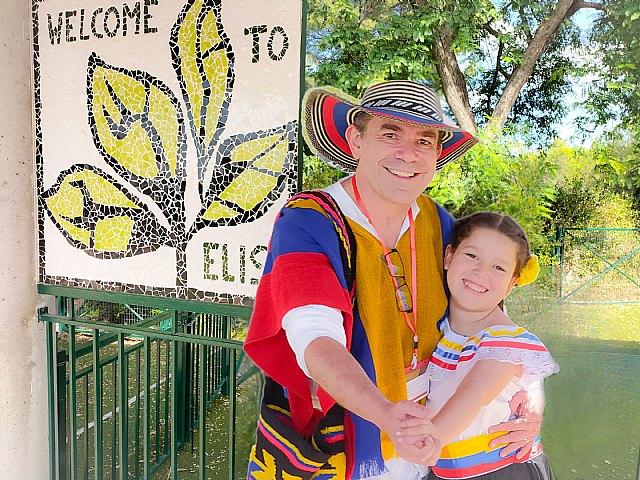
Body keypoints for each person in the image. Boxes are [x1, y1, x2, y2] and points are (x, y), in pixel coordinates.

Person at [244, 80, 543, 480]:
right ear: (355, 139)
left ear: (437, 153)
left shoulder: (436, 222)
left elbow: (487, 316)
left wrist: (527, 406)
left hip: (431, 437)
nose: (409, 154)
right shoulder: (310, 221)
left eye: (425, 140)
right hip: (347, 437)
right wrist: (386, 413)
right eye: (389, 133)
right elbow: (316, 342)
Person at [397, 212, 558, 479]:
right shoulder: (439, 326)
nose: (481, 272)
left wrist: (432, 438)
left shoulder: (505, 339)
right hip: (442, 471)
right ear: (448, 257)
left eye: (499, 268)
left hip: (501, 472)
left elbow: (476, 390)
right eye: (472, 256)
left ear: (512, 284)